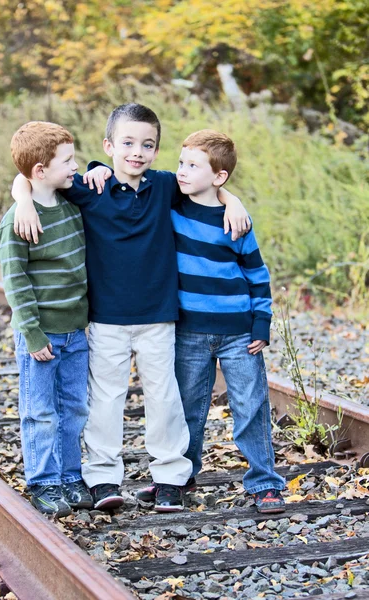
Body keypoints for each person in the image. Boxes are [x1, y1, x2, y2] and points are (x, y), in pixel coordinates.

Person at [11, 104, 251, 512]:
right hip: (107, 319)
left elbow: (207, 181)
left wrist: (233, 200)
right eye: (127, 143)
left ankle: (169, 477)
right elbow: (31, 171)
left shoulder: (164, 186)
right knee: (105, 400)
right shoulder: (90, 187)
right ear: (108, 146)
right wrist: (23, 201)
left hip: (159, 316)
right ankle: (103, 477)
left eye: (147, 144)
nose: (136, 152)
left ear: (157, 151)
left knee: (164, 398)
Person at [137, 130, 286, 514]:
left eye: (192, 166)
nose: (181, 171)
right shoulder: (170, 212)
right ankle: (180, 478)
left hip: (239, 333)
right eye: (181, 163)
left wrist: (261, 324)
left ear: (219, 178)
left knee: (250, 405)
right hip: (188, 331)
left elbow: (257, 275)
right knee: (188, 407)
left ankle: (264, 483)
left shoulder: (235, 222)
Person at [0, 121, 93, 516]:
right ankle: (44, 482)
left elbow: (99, 178)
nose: (76, 167)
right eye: (68, 160)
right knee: (40, 412)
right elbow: (15, 282)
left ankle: (70, 475)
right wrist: (32, 334)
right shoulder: (18, 221)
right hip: (41, 335)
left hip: (76, 331)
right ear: (40, 171)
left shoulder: (72, 207)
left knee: (74, 409)